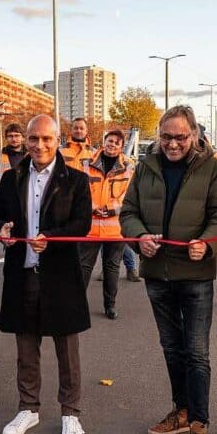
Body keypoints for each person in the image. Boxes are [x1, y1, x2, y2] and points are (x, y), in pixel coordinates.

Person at [120, 105, 217, 434]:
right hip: (157, 273)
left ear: (195, 135)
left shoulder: (212, 169)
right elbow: (128, 212)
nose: (172, 144)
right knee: (172, 347)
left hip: (196, 276)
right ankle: (181, 411)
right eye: (166, 137)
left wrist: (209, 242)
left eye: (180, 137)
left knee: (196, 353)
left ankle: (199, 427)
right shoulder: (145, 167)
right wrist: (139, 238)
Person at [0, 114, 92, 434]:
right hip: (22, 273)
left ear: (58, 140)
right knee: (26, 347)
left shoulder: (75, 180)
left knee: (66, 350)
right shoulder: (10, 178)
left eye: (47, 139)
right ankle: (28, 408)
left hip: (60, 276)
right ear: (26, 141)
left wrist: (53, 237)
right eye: (34, 138)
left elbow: (82, 225)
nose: (39, 145)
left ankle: (70, 413)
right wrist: (0, 227)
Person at [79, 129, 134, 319]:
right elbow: (81, 191)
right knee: (84, 267)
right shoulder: (86, 164)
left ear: (121, 146)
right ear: (104, 141)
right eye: (109, 141)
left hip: (115, 228)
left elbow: (129, 196)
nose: (112, 145)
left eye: (116, 143)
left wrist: (111, 209)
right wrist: (93, 207)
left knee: (112, 268)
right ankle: (78, 305)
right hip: (90, 227)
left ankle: (110, 305)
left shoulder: (128, 166)